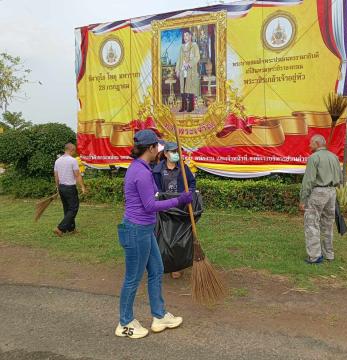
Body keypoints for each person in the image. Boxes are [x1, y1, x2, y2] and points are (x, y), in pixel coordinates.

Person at [115, 130, 193, 339]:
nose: (159, 150)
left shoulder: (142, 168)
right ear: (149, 149)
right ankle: (125, 323)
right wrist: (180, 200)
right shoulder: (140, 172)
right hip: (136, 231)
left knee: (157, 271)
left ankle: (159, 316)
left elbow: (150, 198)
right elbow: (150, 205)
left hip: (145, 230)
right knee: (133, 278)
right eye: (157, 147)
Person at [152, 141, 196, 279]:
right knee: (165, 238)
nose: (176, 154)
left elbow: (192, 183)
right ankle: (165, 263)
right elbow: (155, 189)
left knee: (180, 237)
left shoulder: (183, 168)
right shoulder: (158, 170)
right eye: (173, 151)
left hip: (181, 209)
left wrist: (190, 194)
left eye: (177, 151)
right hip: (164, 209)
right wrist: (159, 198)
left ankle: (178, 266)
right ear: (165, 154)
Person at [299, 135, 342, 264]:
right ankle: (329, 254)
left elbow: (309, 180)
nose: (309, 145)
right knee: (328, 224)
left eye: (311, 143)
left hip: (318, 191)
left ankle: (315, 256)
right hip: (332, 191)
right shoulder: (334, 157)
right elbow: (340, 177)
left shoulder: (314, 158)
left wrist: (303, 199)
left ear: (317, 143)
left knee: (312, 223)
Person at [53, 143, 86, 237]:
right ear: (71, 149)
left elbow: (56, 175)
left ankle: (71, 229)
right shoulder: (72, 160)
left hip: (61, 187)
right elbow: (77, 174)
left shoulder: (57, 161)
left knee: (67, 209)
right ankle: (60, 228)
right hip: (70, 188)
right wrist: (83, 187)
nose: (74, 152)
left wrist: (57, 187)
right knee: (74, 208)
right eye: (74, 150)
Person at [175, 30, 200, 113]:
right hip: (183, 71)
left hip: (191, 70)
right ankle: (184, 106)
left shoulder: (194, 45)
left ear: (190, 36)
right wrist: (177, 69)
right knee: (183, 89)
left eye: (186, 35)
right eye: (184, 36)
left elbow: (197, 57)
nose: (185, 37)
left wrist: (189, 64)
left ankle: (191, 107)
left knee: (191, 88)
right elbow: (179, 59)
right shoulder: (181, 47)